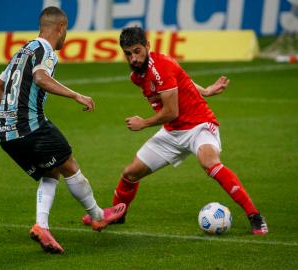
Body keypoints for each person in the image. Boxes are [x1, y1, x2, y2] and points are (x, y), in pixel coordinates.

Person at [83, 26, 268, 235]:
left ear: (147, 46)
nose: (133, 58)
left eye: (137, 51)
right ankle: (118, 214)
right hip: (173, 132)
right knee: (130, 173)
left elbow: (171, 111)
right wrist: (205, 90)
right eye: (128, 54)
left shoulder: (161, 67)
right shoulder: (137, 77)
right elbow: (181, 80)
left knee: (210, 163)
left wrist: (143, 123)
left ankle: (255, 216)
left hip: (199, 125)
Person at [0, 6, 126, 254]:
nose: (66, 37)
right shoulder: (46, 50)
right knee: (69, 163)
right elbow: (41, 78)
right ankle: (97, 215)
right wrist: (76, 95)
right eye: (66, 31)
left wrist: (8, 119)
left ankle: (42, 226)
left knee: (51, 171)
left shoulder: (23, 50)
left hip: (7, 135)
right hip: (29, 126)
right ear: (61, 27)